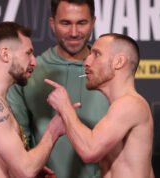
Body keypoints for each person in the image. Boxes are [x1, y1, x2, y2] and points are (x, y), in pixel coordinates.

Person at [7, 0, 109, 177]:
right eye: (65, 23)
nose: (74, 32)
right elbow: (17, 146)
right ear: (52, 24)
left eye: (82, 23)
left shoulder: (111, 72)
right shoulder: (28, 72)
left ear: (93, 22)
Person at [0, 22, 65, 178]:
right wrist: (53, 131)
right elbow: (26, 170)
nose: (34, 62)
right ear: (5, 54)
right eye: (28, 53)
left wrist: (13, 169)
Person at [45, 33, 155, 178]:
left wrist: (64, 107)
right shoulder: (121, 107)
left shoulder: (130, 103)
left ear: (119, 62)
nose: (87, 62)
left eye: (96, 54)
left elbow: (89, 150)